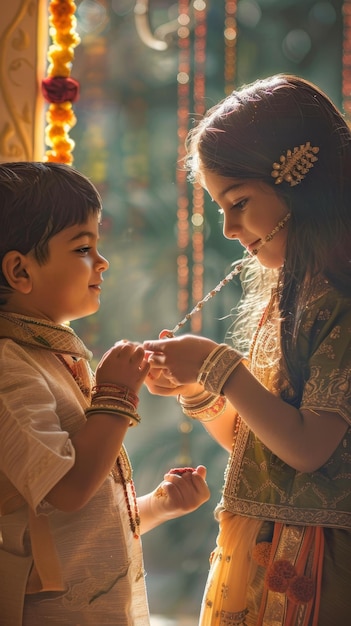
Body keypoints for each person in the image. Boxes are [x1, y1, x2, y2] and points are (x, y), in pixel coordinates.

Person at [143, 74, 351, 626]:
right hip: (264, 551)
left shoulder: (343, 299)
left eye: (239, 202)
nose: (230, 228)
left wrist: (220, 367)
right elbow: (256, 442)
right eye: (220, 208)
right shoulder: (290, 296)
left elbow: (309, 450)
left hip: (326, 568)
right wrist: (198, 389)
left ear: (302, 183)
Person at [0, 161, 210, 626]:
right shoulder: (9, 368)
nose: (102, 261)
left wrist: (158, 504)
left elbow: (79, 522)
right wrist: (115, 395)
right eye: (83, 247)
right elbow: (67, 491)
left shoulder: (54, 357)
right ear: (19, 270)